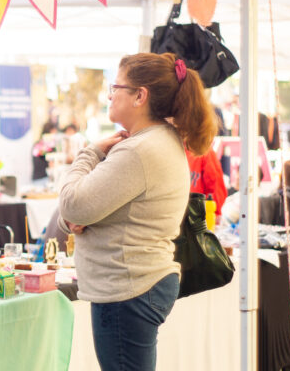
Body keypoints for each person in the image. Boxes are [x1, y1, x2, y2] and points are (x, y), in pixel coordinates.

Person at [57, 53, 216, 371]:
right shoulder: (155, 143)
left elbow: (73, 204)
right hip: (135, 284)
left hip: (127, 289)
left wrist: (90, 152)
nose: (110, 94)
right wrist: (77, 215)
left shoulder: (139, 150)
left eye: (116, 86)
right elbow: (77, 213)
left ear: (140, 95)